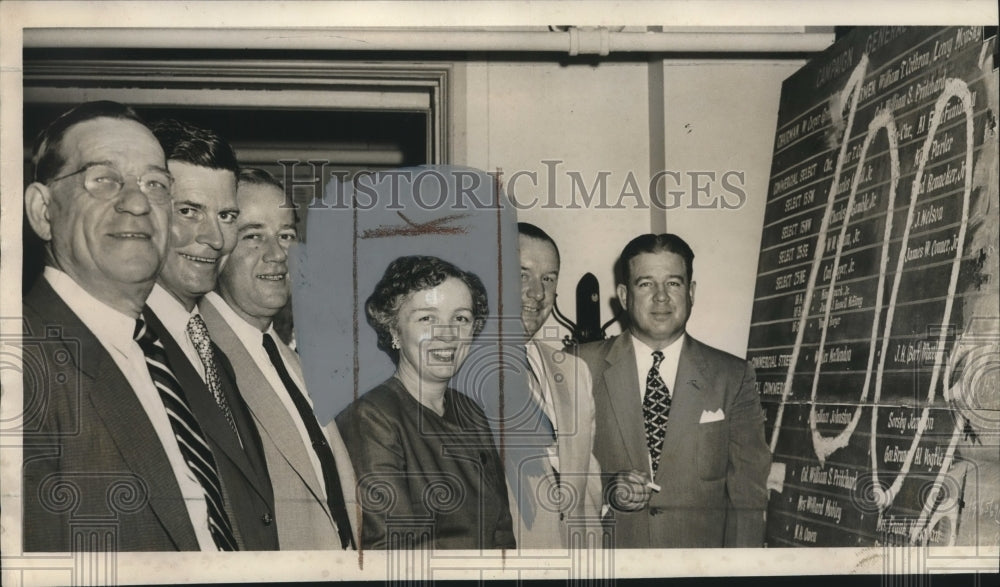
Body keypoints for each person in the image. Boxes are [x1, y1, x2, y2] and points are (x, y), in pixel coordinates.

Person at [21, 101, 217, 550]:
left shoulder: (172, 356)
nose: (136, 202)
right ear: (43, 211)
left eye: (155, 184)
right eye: (104, 179)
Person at [577, 233, 770, 548]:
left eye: (673, 283)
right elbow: (550, 473)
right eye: (646, 284)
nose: (661, 297)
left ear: (691, 292)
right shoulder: (578, 366)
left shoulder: (733, 376)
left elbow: (748, 497)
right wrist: (608, 485)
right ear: (624, 296)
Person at [200, 168, 358, 550]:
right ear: (218, 247)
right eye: (253, 236)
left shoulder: (289, 359)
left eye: (286, 235)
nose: (277, 254)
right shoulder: (200, 357)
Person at [143, 119, 278, 550]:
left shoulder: (210, 350)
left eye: (226, 216)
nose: (215, 238)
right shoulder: (133, 346)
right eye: (189, 211)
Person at [336, 256, 515, 549]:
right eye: (427, 318)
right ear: (394, 330)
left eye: (460, 318)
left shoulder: (471, 412)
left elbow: (502, 534)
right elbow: (392, 553)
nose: (447, 335)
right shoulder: (371, 418)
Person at [514, 222, 602, 548]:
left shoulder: (575, 370)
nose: (537, 293)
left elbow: (588, 488)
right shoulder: (457, 372)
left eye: (548, 279)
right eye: (521, 274)